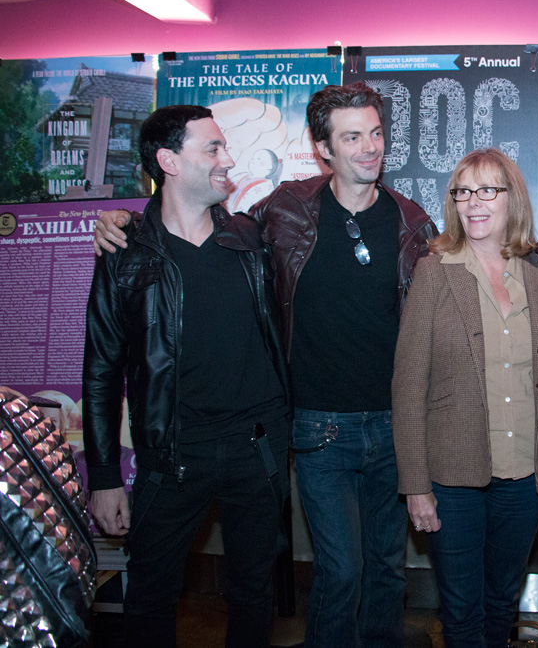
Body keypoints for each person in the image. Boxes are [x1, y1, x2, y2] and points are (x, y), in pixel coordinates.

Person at [92, 83, 439, 648]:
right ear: (322, 147)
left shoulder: (408, 222)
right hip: (290, 432)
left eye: (376, 133)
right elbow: (105, 365)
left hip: (369, 430)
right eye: (353, 136)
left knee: (376, 573)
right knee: (336, 572)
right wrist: (121, 221)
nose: (370, 147)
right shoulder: (277, 217)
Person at [83, 105, 290, 648]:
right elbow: (102, 370)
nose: (228, 159)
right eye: (213, 149)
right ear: (168, 161)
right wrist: (104, 476)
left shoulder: (252, 240)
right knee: (151, 596)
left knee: (253, 591)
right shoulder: (124, 254)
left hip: (256, 448)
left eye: (225, 147)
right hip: (171, 456)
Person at [392, 148, 538, 648]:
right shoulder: (435, 272)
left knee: (501, 600)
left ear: (512, 198)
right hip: (452, 474)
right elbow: (407, 386)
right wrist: (416, 485)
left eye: (487, 189)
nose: (474, 202)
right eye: (463, 191)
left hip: (526, 473)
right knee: (462, 610)